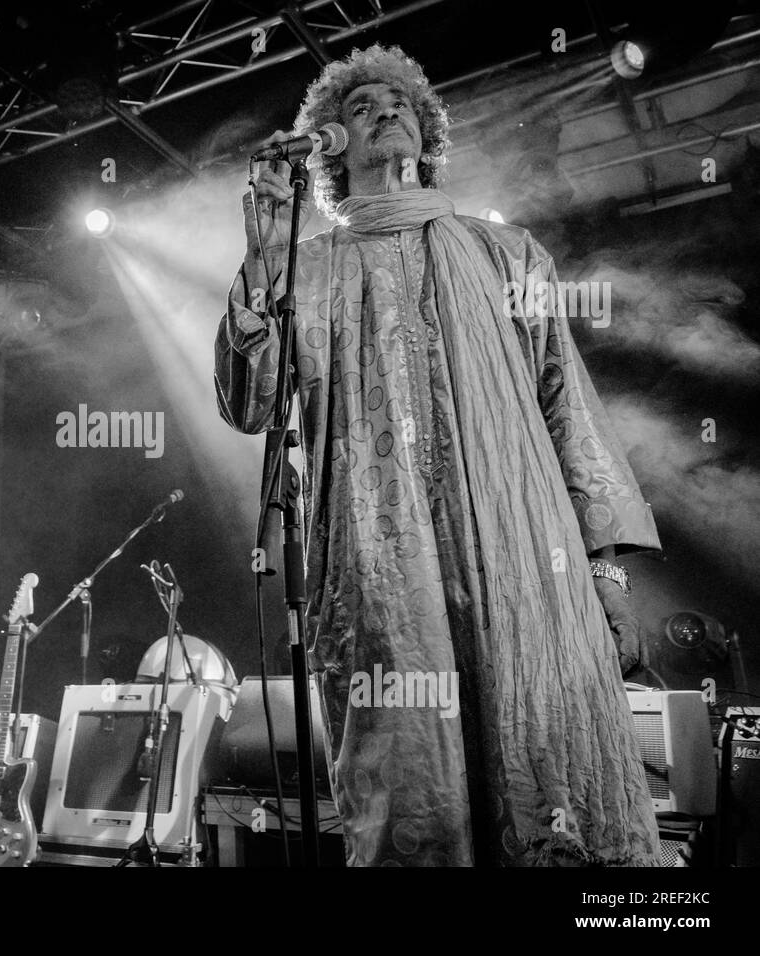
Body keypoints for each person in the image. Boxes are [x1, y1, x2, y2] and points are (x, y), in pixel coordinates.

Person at [216, 45, 661, 866]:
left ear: (427, 131)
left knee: (547, 767)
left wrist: (606, 572)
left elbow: (570, 411)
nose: (386, 110)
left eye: (401, 103)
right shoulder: (303, 270)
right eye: (361, 107)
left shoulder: (511, 256)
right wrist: (264, 250)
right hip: (383, 577)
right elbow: (250, 403)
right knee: (414, 787)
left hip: (529, 568)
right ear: (331, 147)